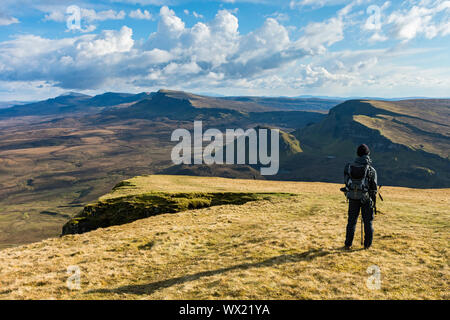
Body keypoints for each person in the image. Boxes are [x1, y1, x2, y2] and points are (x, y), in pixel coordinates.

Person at [343, 144, 378, 250]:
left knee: (351, 221)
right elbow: (374, 187)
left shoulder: (349, 167)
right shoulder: (371, 170)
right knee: (368, 221)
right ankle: (367, 245)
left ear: (357, 154)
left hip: (353, 197)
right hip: (366, 198)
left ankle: (348, 244)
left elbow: (346, 181)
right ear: (367, 154)